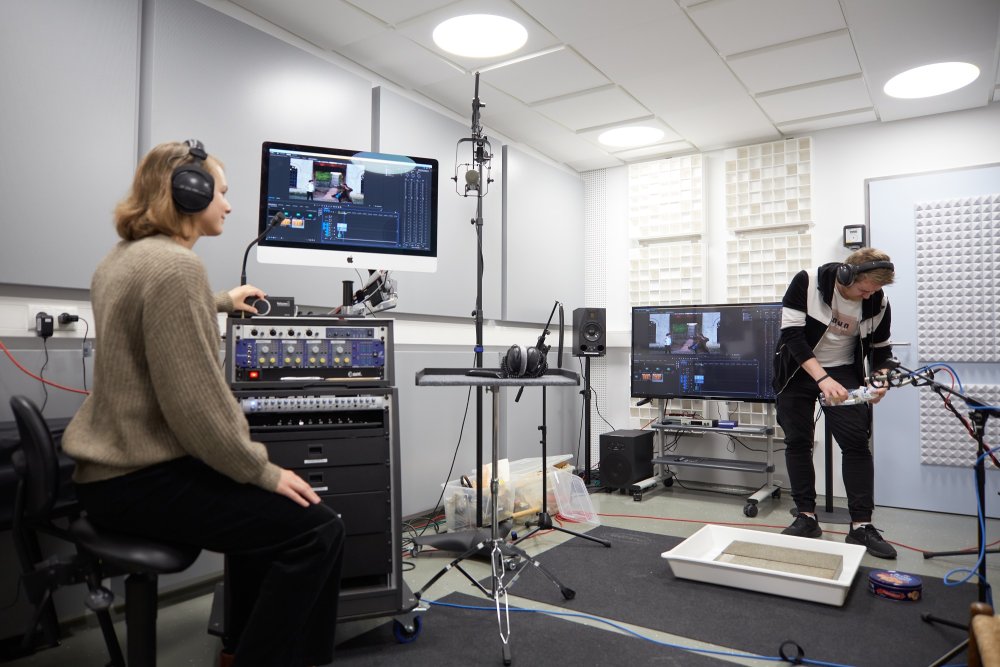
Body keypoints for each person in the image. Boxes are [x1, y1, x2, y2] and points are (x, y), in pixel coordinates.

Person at [61, 140, 345, 665]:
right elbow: (196, 411)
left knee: (265, 525)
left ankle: (238, 648)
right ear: (189, 193)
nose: (229, 206)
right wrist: (261, 471)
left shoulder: (121, 260)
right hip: (140, 481)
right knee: (317, 529)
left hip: (104, 477)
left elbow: (152, 311)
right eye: (223, 192)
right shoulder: (176, 269)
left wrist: (219, 301)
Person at [772, 247, 897, 559]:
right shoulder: (806, 283)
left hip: (843, 371)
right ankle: (806, 517)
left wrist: (881, 379)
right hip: (800, 368)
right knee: (798, 441)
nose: (869, 296)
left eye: (874, 291)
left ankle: (861, 526)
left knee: (856, 441)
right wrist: (822, 379)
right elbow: (793, 337)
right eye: (863, 289)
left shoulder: (878, 301)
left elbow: (882, 350)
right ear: (846, 275)